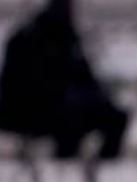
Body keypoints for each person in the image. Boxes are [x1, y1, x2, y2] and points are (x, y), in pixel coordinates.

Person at [0, 0, 128, 158]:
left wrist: (98, 97)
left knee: (116, 118)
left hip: (66, 105)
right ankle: (64, 167)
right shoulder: (27, 38)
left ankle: (105, 167)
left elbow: (84, 76)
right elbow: (21, 86)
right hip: (31, 110)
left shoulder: (68, 38)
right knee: (71, 119)